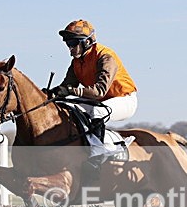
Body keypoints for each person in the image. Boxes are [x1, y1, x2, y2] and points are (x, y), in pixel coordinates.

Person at [44, 19, 138, 160]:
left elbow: (99, 91)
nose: (69, 48)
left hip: (124, 99)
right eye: (67, 44)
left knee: (97, 111)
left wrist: (71, 91)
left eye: (72, 43)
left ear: (87, 42)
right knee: (68, 106)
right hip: (99, 101)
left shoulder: (105, 57)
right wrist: (48, 94)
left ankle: (98, 152)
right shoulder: (76, 61)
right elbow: (67, 87)